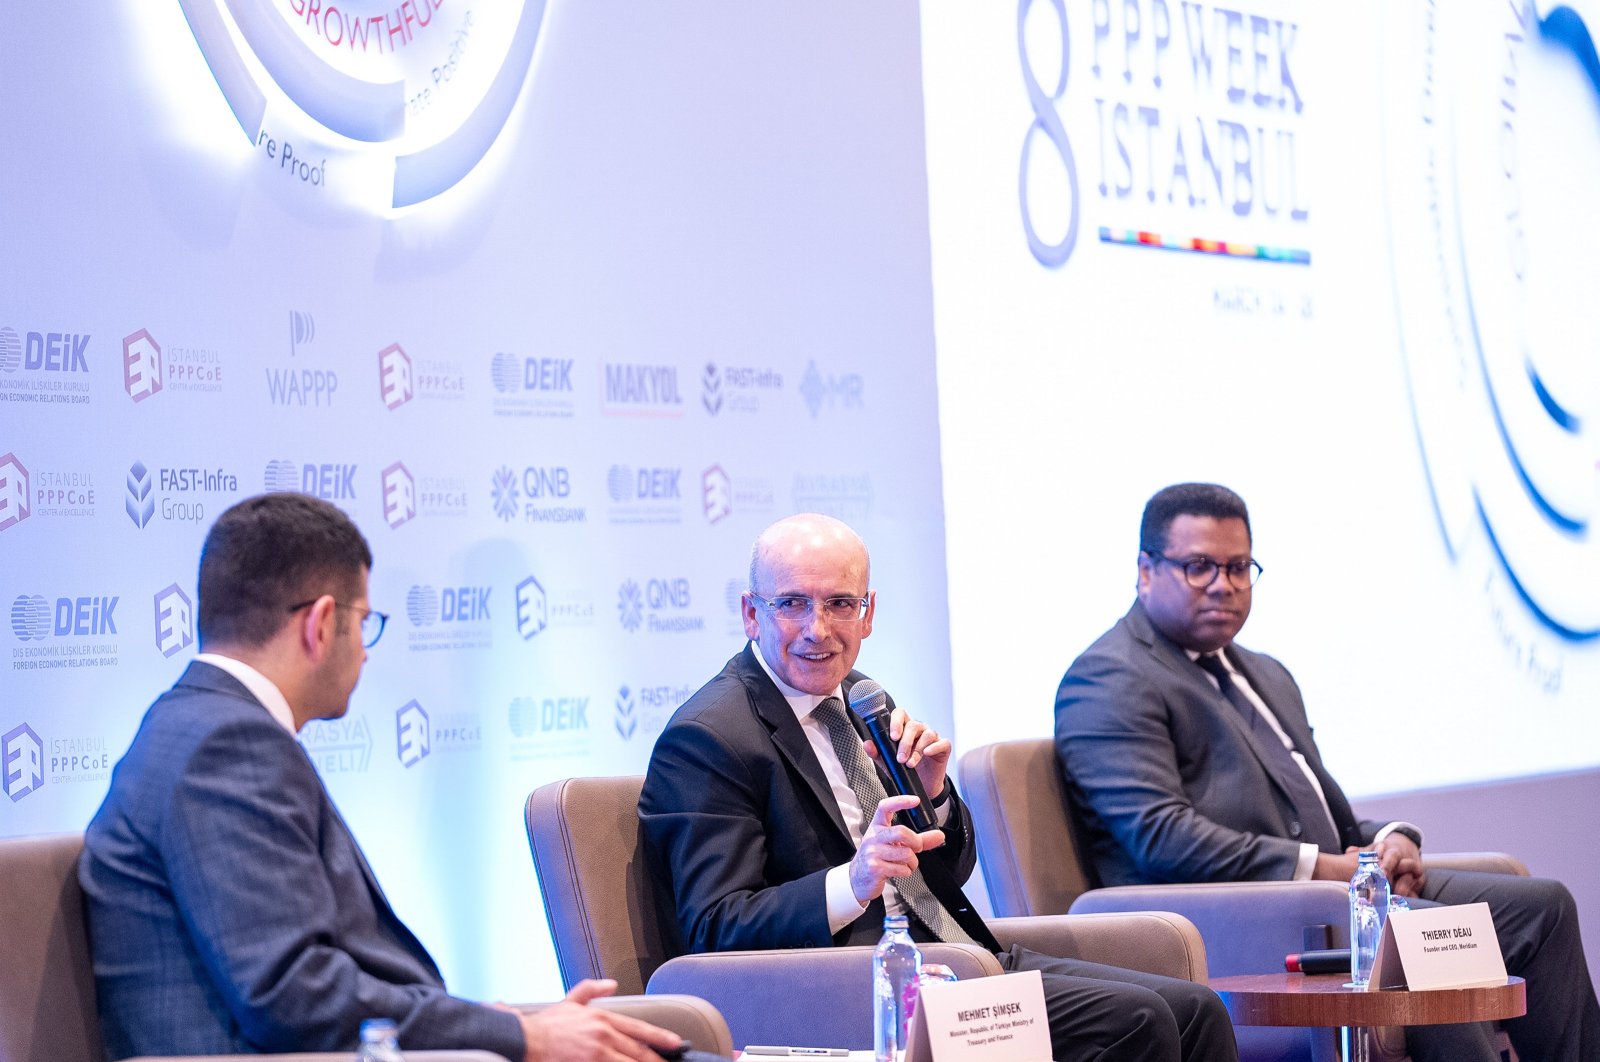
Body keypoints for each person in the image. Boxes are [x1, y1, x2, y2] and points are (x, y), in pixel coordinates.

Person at [80, 493, 691, 1062]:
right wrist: (521, 1035)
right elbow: (292, 996)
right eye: (365, 623)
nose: (367, 652)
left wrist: (483, 1020)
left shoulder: (196, 726)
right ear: (321, 623)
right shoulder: (225, 745)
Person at [639, 513, 1238, 1062]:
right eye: (792, 603)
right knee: (1133, 1022)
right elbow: (714, 929)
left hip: (951, 957)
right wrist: (853, 881)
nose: (817, 629)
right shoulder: (709, 737)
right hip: (856, 986)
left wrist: (936, 800)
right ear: (751, 613)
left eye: (839, 604)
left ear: (868, 613)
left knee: (1198, 1010)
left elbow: (943, 873)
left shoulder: (859, 697)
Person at [1055, 482, 1600, 1062]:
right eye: (1199, 567)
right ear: (1145, 570)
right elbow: (1161, 837)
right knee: (1422, 933)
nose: (1224, 584)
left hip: (1334, 897)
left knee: (1542, 907)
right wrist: (1327, 869)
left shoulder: (1262, 673)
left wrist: (1390, 842)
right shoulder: (1109, 678)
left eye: (1239, 567)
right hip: (1237, 917)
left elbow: (1321, 813)